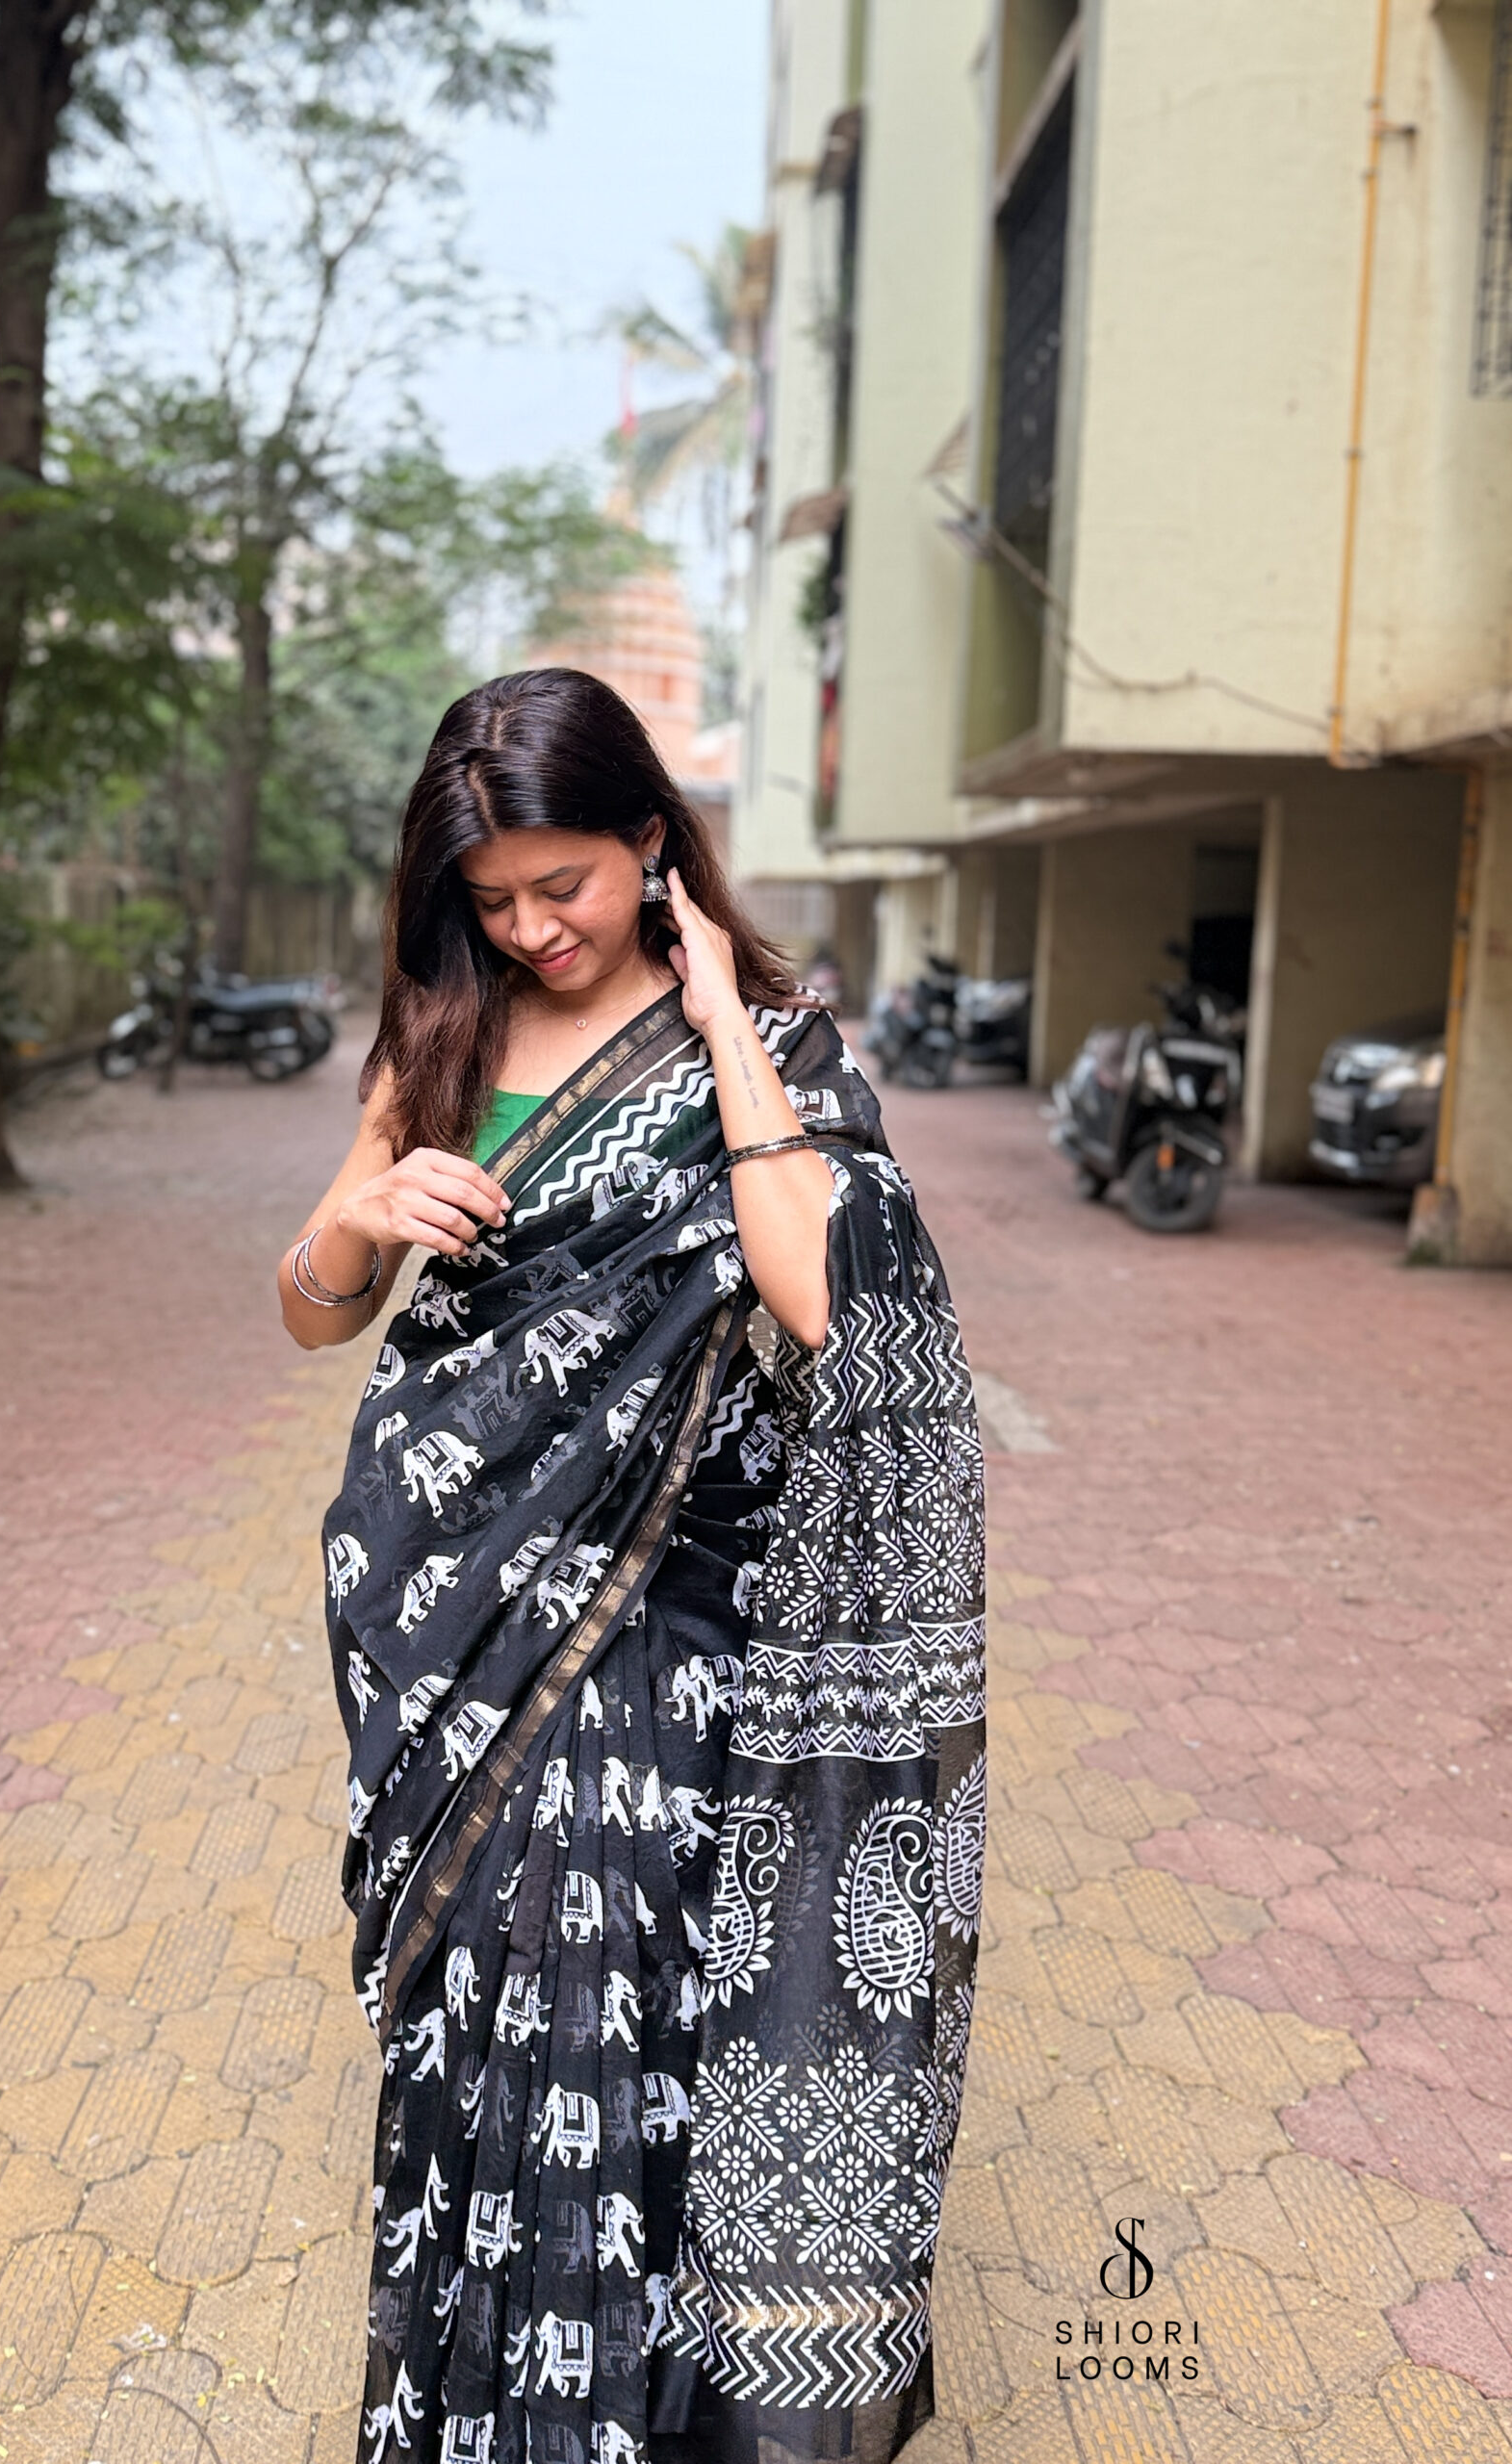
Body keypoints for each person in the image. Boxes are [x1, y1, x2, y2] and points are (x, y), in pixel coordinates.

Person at [278, 668, 986, 2464]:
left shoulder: (781, 1047)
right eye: (493, 901)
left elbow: (826, 1296)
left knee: (620, 2016)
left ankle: (634, 2418)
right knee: (482, 2016)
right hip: (448, 1620)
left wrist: (728, 1017)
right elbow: (314, 1310)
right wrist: (358, 1221)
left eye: (564, 888)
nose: (531, 931)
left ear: (651, 845)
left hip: (667, 1621)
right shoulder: (437, 1035)